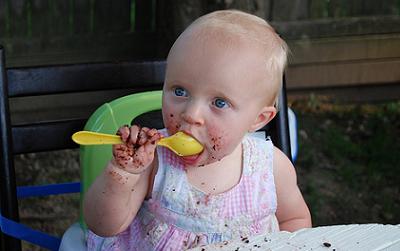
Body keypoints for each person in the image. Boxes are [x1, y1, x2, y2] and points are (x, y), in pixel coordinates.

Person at [84, 9, 312, 250]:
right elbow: (104, 225)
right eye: (180, 91)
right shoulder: (153, 162)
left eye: (219, 102)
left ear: (258, 119)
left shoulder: (271, 168)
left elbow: (294, 220)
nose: (191, 114)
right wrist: (122, 174)